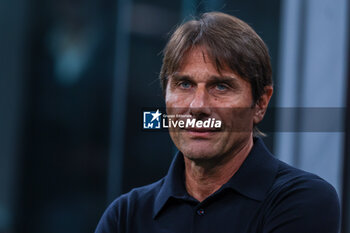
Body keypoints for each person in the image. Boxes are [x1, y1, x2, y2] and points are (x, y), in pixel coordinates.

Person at [95, 12, 340, 233]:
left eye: (221, 86)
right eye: (185, 84)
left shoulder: (302, 200)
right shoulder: (125, 216)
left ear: (260, 104)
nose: (198, 106)